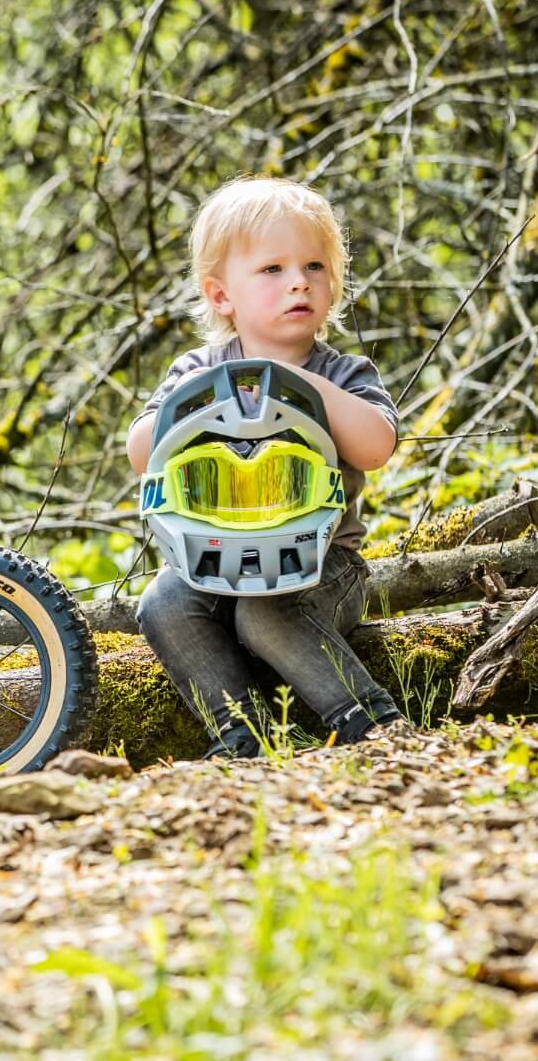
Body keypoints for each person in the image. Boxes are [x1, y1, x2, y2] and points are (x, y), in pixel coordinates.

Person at [125, 176, 406, 758]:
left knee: (263, 615)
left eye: (314, 266)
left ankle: (373, 724)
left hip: (323, 565)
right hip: (211, 557)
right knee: (162, 604)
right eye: (273, 269)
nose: (299, 281)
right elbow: (141, 452)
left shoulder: (341, 373)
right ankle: (242, 737)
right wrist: (196, 404)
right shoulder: (197, 371)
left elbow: (377, 447)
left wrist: (302, 385)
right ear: (221, 296)